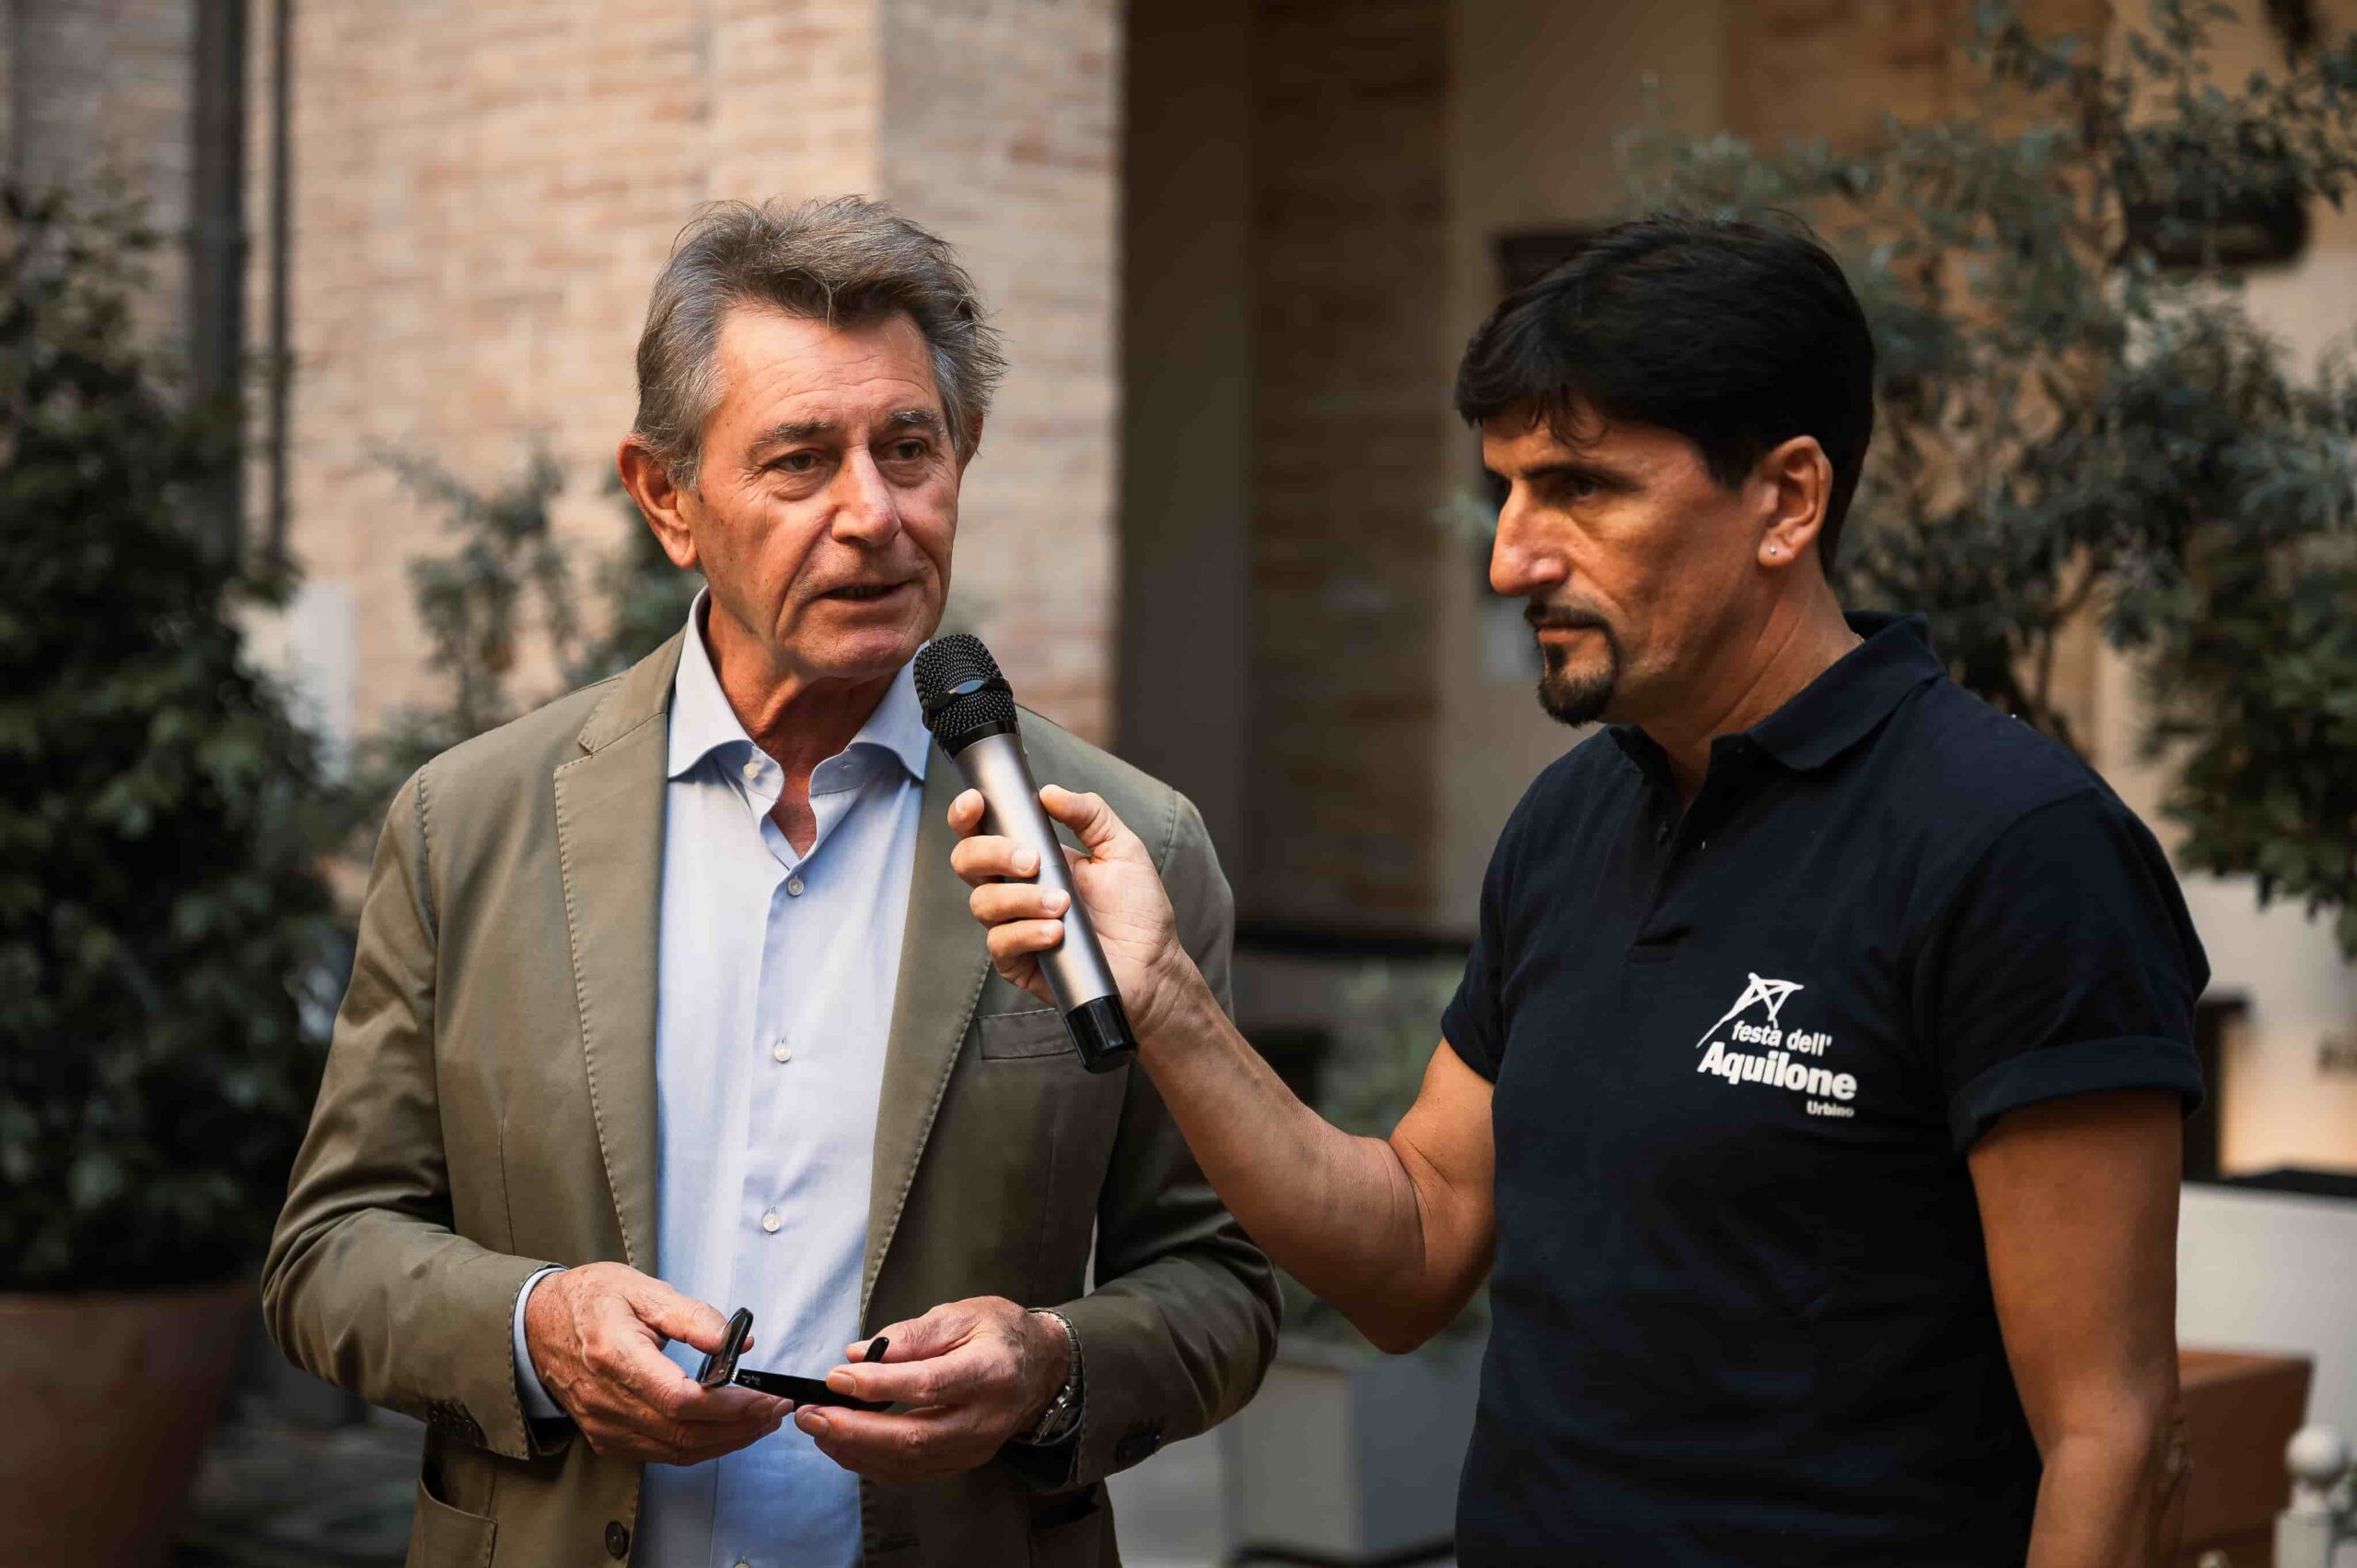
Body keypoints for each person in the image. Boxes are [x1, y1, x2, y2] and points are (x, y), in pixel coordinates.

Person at [953, 215, 2205, 1565]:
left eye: (1581, 489)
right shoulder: (1571, 820)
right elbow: (1413, 1252)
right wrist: (1166, 1003)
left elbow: (2112, 1437)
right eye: (1506, 490)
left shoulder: (2018, 849)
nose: (1511, 558)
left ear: (1788, 499)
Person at [263, 196, 1275, 1568]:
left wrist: (1050, 1362)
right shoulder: (470, 825)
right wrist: (538, 1327)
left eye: (910, 449)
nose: (874, 515)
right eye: (801, 460)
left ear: (963, 455)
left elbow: (1222, 1284)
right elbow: (329, 1252)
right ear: (666, 498)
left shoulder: (1124, 849)